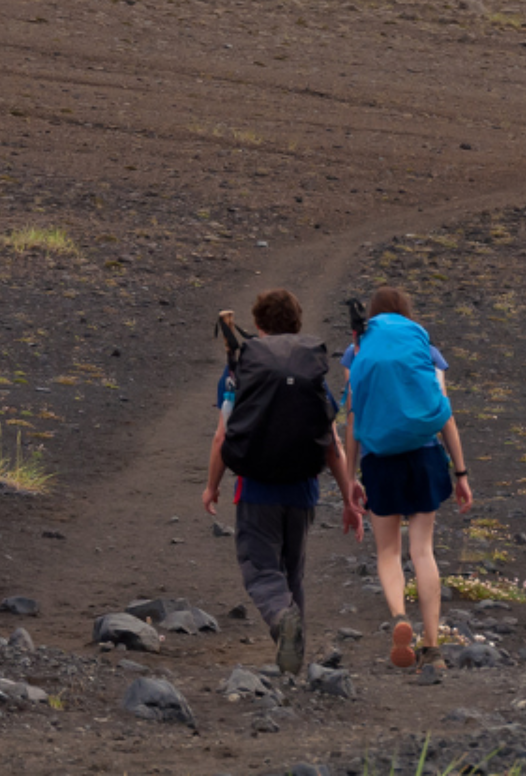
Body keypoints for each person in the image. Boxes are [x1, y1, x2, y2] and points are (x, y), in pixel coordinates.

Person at [202, 289, 363, 675]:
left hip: (256, 489)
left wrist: (212, 486)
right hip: (303, 491)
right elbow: (332, 445)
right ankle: (294, 658)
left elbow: (223, 437)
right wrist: (348, 498)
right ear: (297, 324)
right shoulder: (312, 373)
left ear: (257, 325)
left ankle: (282, 621)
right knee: (292, 574)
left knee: (260, 568)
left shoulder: (242, 367)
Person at [342, 286, 473, 671]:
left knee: (388, 553)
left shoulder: (358, 350)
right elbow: (443, 412)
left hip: (380, 459)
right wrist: (461, 472)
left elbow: (353, 417)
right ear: (406, 314)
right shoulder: (425, 348)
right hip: (425, 453)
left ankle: (400, 617)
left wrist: (350, 476)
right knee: (423, 551)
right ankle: (432, 647)